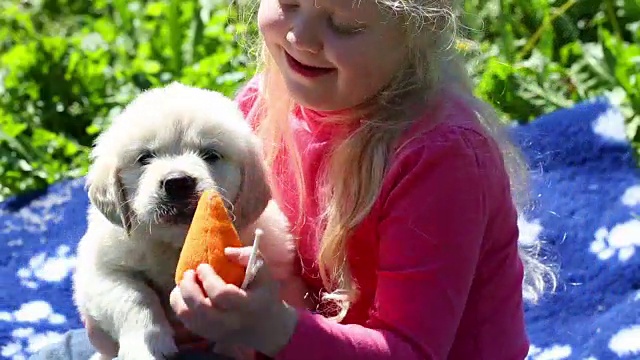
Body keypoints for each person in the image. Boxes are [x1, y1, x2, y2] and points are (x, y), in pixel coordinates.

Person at [31, 0, 557, 359]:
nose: (301, 37)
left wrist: (269, 327)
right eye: (288, 0)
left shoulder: (441, 159)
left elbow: (412, 351)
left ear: (421, 32)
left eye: (345, 23)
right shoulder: (268, 102)